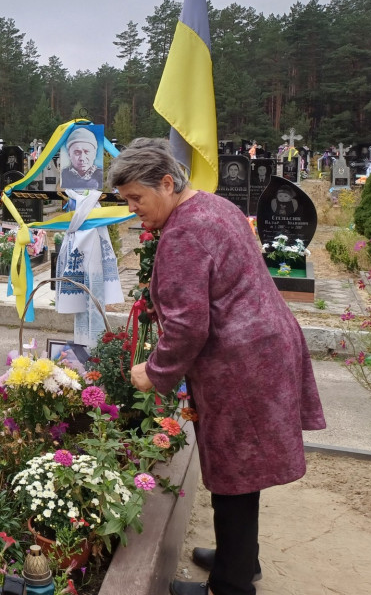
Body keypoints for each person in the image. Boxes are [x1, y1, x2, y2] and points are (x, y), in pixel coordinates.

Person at [108, 138, 325, 595]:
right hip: (261, 348)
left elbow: (188, 326)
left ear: (167, 183)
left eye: (137, 199)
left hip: (242, 364)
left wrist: (156, 371)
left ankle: (230, 585)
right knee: (242, 467)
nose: (133, 211)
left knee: (234, 469)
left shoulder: (185, 232)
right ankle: (240, 560)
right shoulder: (211, 205)